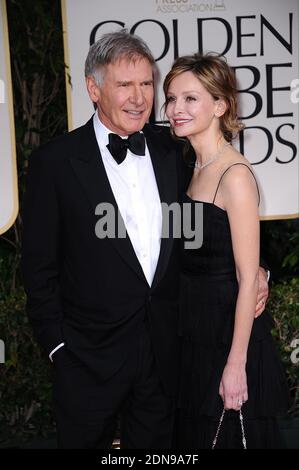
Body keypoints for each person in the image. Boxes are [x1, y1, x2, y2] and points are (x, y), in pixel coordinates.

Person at [21, 30, 269, 449]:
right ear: (93, 88)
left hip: (167, 354)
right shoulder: (54, 163)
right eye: (124, 85)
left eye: (146, 84)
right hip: (87, 359)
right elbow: (38, 266)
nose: (140, 98)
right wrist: (58, 348)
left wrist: (259, 271)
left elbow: (216, 229)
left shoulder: (173, 148)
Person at [164, 53, 289, 449]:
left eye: (190, 99)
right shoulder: (189, 166)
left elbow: (244, 276)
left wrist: (236, 364)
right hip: (191, 331)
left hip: (226, 335)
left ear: (220, 105)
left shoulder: (235, 176)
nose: (176, 110)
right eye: (171, 99)